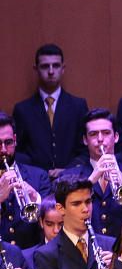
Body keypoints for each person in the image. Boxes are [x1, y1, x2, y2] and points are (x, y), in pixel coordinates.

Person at [62, 109, 122, 238]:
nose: (100, 139)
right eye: (93, 134)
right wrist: (92, 179)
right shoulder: (69, 176)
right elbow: (61, 213)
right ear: (85, 140)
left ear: (116, 137)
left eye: (106, 133)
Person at [12, 43, 89, 174]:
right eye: (45, 66)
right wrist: (38, 173)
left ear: (63, 68)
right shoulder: (22, 110)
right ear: (36, 69)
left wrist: (67, 171)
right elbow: (18, 151)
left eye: (56, 65)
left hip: (73, 179)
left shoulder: (78, 106)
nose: (51, 71)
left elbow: (85, 147)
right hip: (35, 181)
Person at [0, 111, 50, 248]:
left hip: (31, 257)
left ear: (15, 140)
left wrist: (36, 198)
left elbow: (54, 225)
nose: (3, 150)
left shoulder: (39, 176)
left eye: (8, 142)